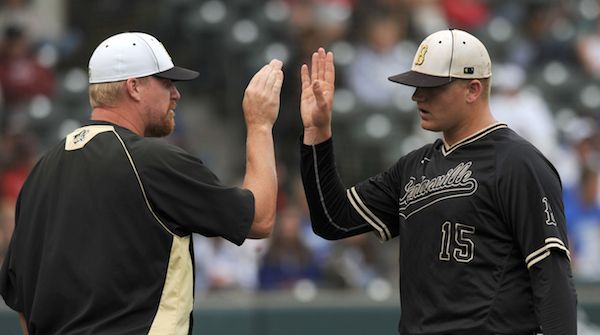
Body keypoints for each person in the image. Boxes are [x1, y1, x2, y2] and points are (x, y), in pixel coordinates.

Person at [0, 31, 283, 334]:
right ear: (133, 87)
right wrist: (260, 124)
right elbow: (260, 219)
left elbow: (22, 302)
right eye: (166, 83)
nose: (176, 94)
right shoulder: (151, 161)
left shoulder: (40, 172)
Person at [299, 29, 577, 334]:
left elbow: (551, 274)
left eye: (433, 87)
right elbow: (332, 219)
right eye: (417, 85)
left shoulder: (518, 162)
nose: (417, 96)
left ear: (472, 89)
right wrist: (317, 134)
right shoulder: (412, 166)